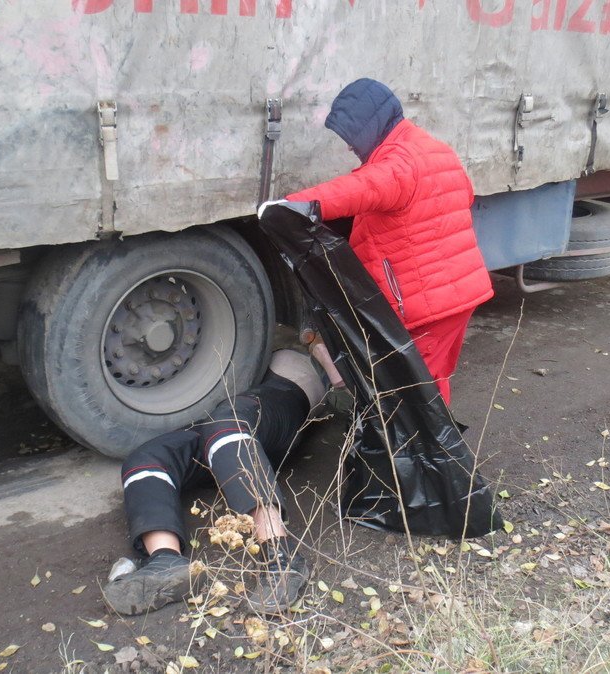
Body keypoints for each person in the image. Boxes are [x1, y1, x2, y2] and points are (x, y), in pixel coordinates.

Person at [283, 78, 493, 405]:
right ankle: (434, 449)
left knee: (410, 397)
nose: (350, 147)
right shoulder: (434, 149)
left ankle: (414, 453)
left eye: (351, 138)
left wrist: (286, 206)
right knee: (432, 384)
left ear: (370, 126)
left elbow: (353, 191)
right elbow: (464, 196)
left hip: (429, 307)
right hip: (458, 297)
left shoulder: (397, 165)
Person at [102, 348, 333, 615]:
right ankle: (165, 560)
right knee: (145, 458)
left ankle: (281, 556)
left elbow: (340, 375)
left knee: (227, 423)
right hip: (218, 429)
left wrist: (318, 349)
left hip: (278, 406)